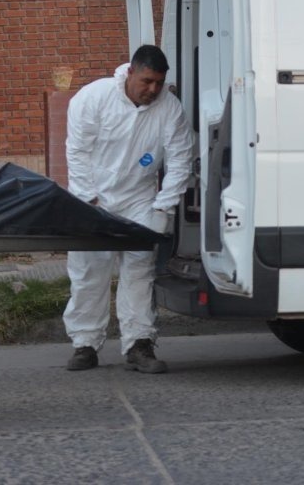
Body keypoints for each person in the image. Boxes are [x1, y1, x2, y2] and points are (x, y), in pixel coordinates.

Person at [64, 44, 193, 373]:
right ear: (131, 72)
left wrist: (163, 208)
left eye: (159, 84)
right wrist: (87, 199)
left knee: (139, 271)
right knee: (88, 272)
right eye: (147, 81)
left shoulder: (169, 108)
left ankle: (138, 344)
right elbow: (77, 152)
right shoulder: (93, 98)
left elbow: (180, 160)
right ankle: (85, 344)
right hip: (93, 197)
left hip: (139, 198)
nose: (152, 90)